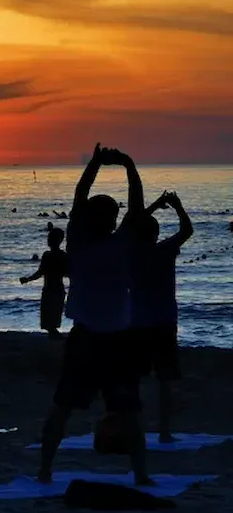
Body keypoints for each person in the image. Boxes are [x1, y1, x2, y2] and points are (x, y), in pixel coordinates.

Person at [37, 143, 151, 486]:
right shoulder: (121, 243)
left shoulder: (78, 243)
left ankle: (44, 470)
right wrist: (128, 164)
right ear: (113, 220)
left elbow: (79, 194)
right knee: (128, 413)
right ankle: (141, 473)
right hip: (113, 339)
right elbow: (136, 205)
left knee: (63, 408)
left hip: (87, 338)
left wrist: (96, 164)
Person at [132, 191, 193, 443]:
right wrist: (177, 206)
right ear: (156, 234)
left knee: (134, 379)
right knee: (165, 380)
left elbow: (132, 225)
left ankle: (134, 427)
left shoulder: (132, 254)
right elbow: (187, 230)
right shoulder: (165, 250)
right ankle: (164, 432)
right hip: (164, 321)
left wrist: (155, 205)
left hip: (137, 321)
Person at [21, 227, 69, 340]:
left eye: (50, 238)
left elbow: (40, 272)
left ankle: (54, 335)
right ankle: (54, 335)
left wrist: (28, 279)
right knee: (53, 315)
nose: (48, 240)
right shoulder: (62, 255)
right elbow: (68, 273)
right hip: (56, 289)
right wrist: (28, 279)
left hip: (50, 289)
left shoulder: (48, 255)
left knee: (50, 315)